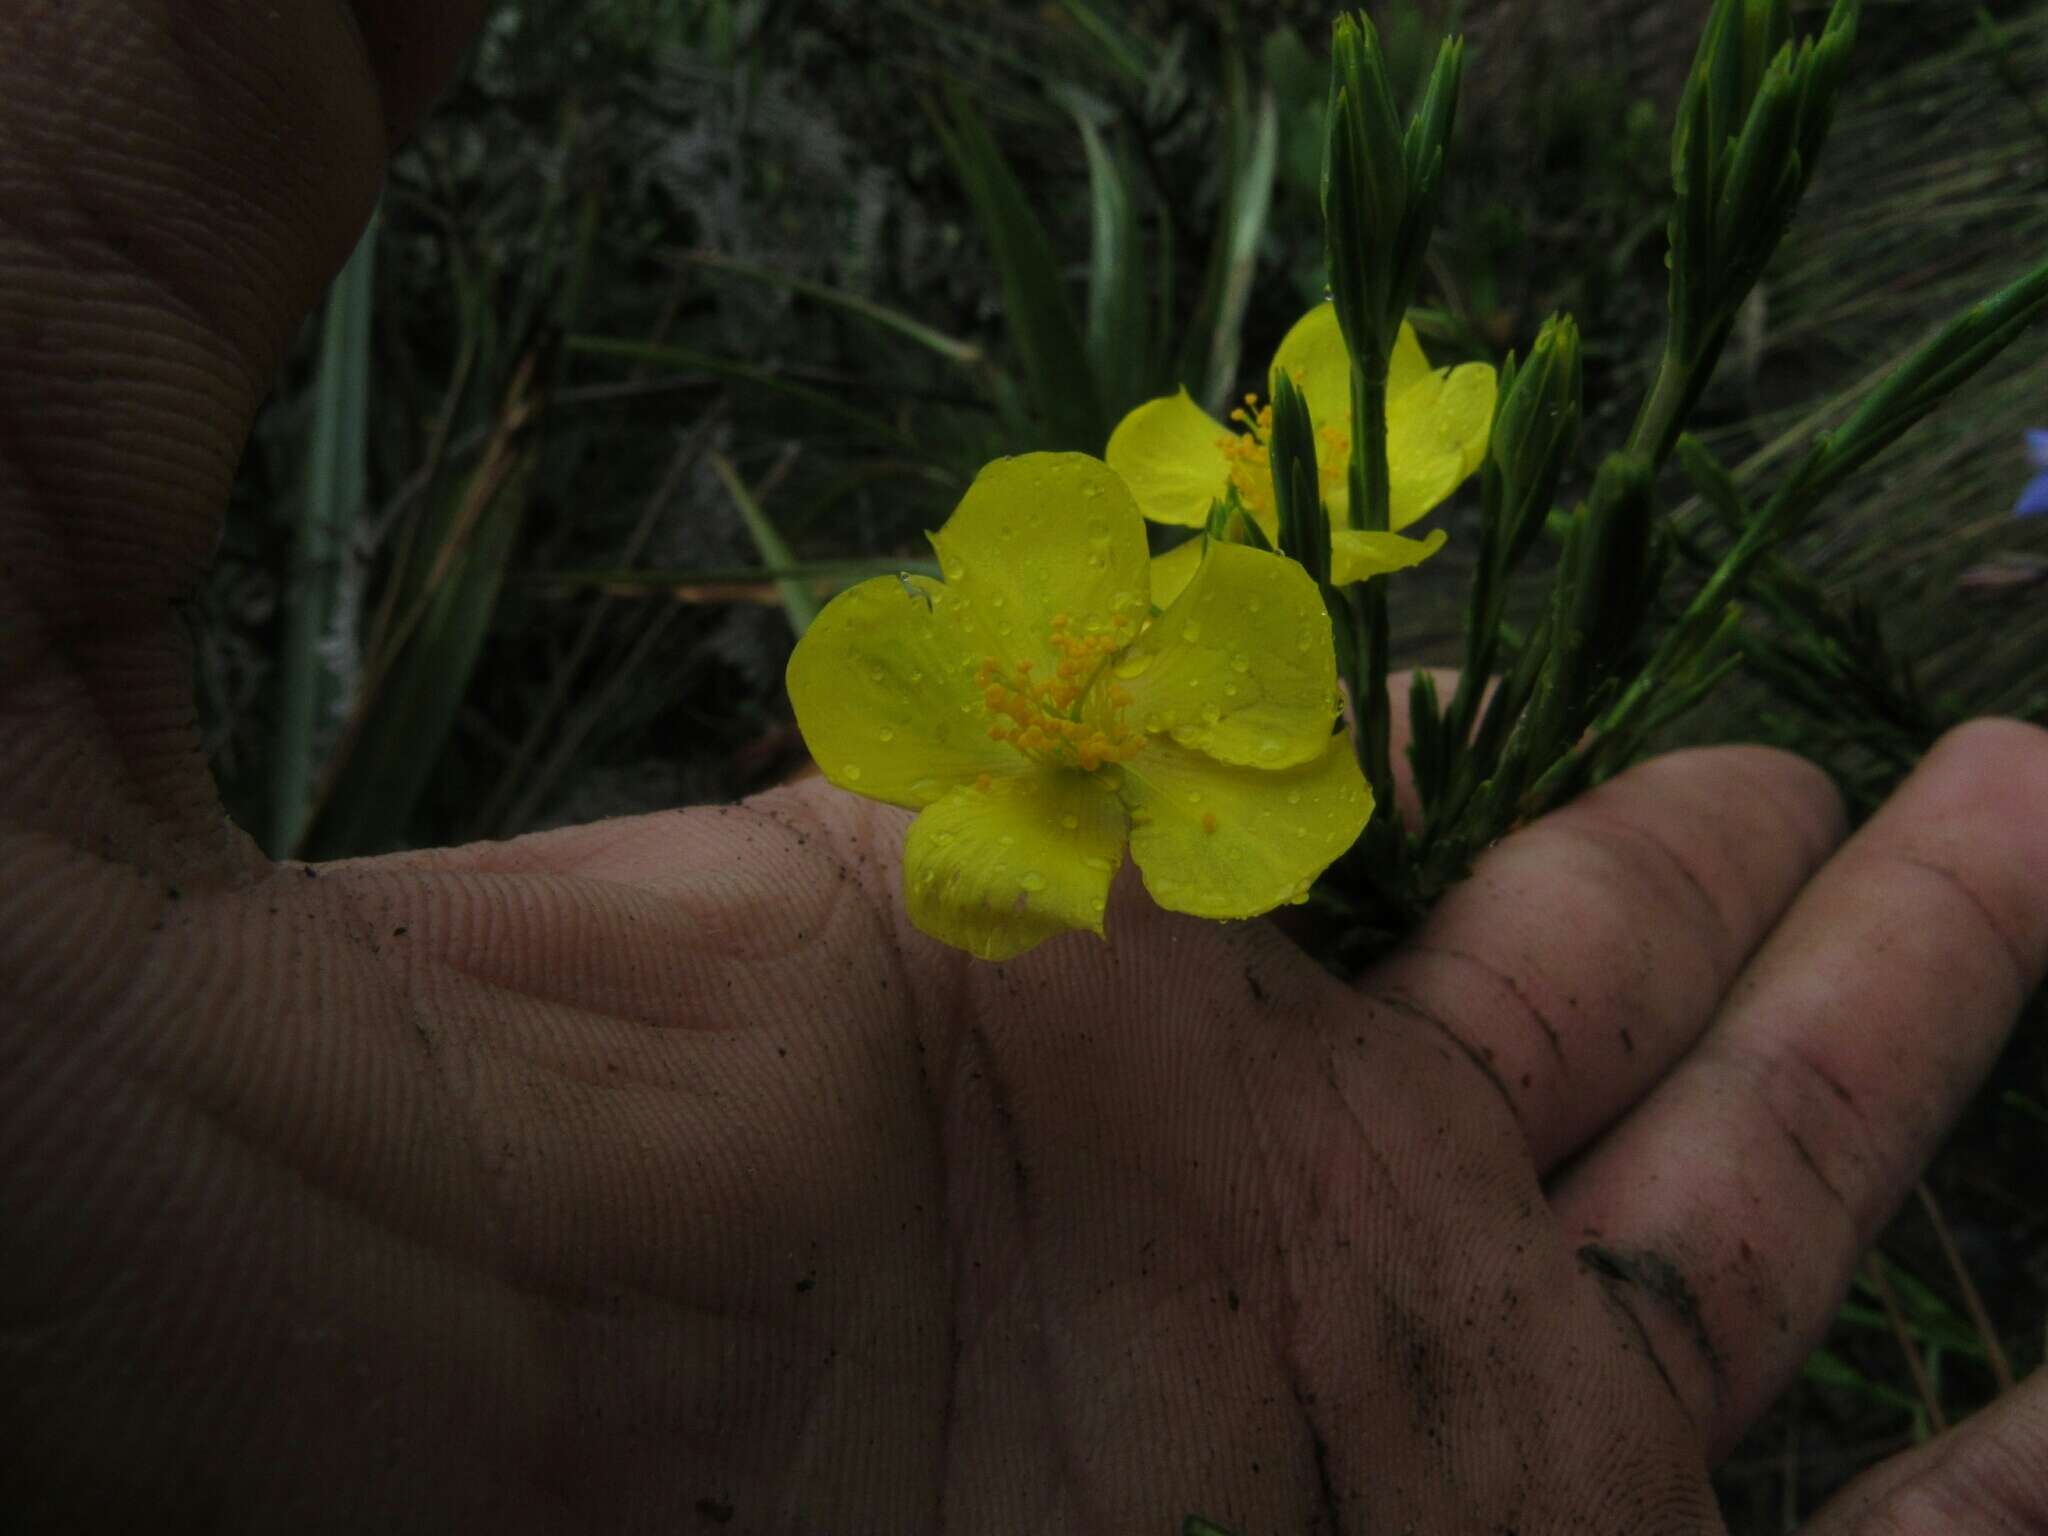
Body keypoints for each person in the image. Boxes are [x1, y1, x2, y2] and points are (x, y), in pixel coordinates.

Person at [3, 5, 2044, 1531]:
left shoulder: (1249, 622)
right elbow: (1008, 685)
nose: (1062, 684)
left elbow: (1282, 735)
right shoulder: (999, 788)